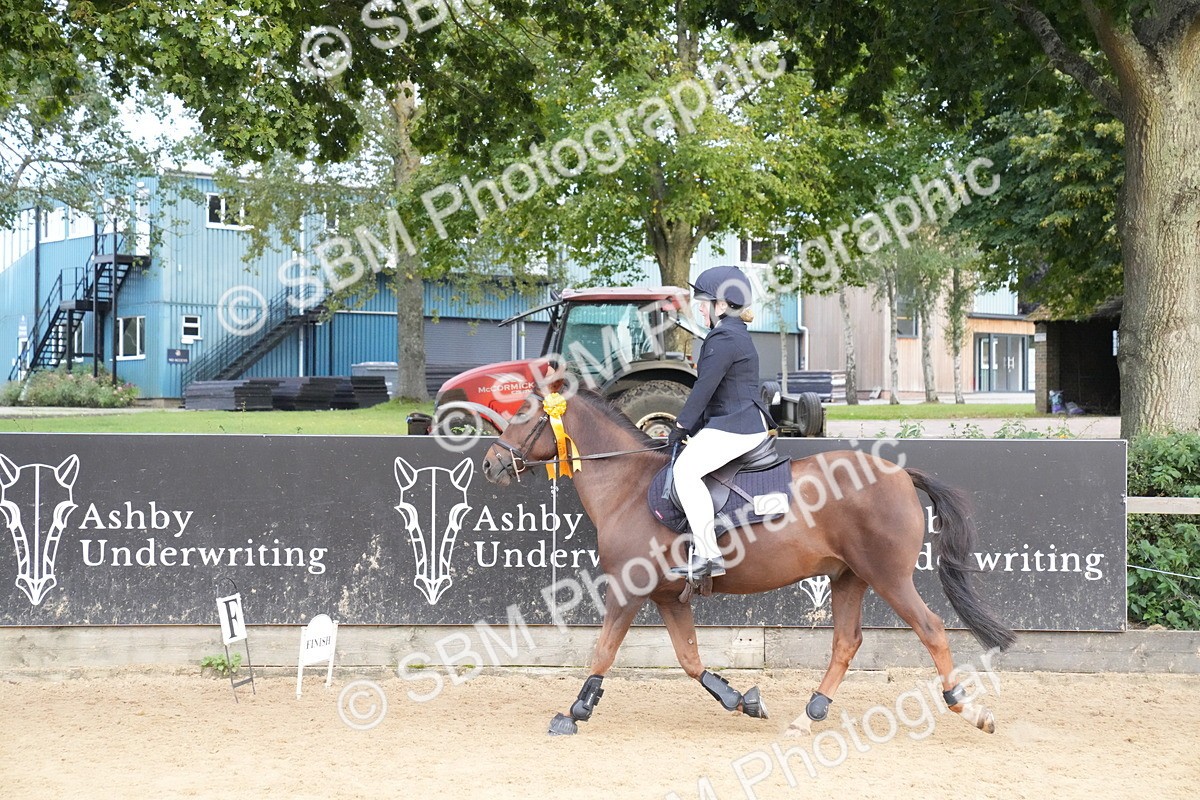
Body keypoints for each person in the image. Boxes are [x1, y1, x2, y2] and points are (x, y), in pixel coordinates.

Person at [667, 265, 776, 579]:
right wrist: (693, 428)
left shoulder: (723, 336)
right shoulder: (732, 333)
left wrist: (680, 428)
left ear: (723, 305)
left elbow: (704, 389)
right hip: (735, 420)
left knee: (685, 472)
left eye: (705, 301)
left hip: (736, 425)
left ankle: (708, 557)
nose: (700, 306)